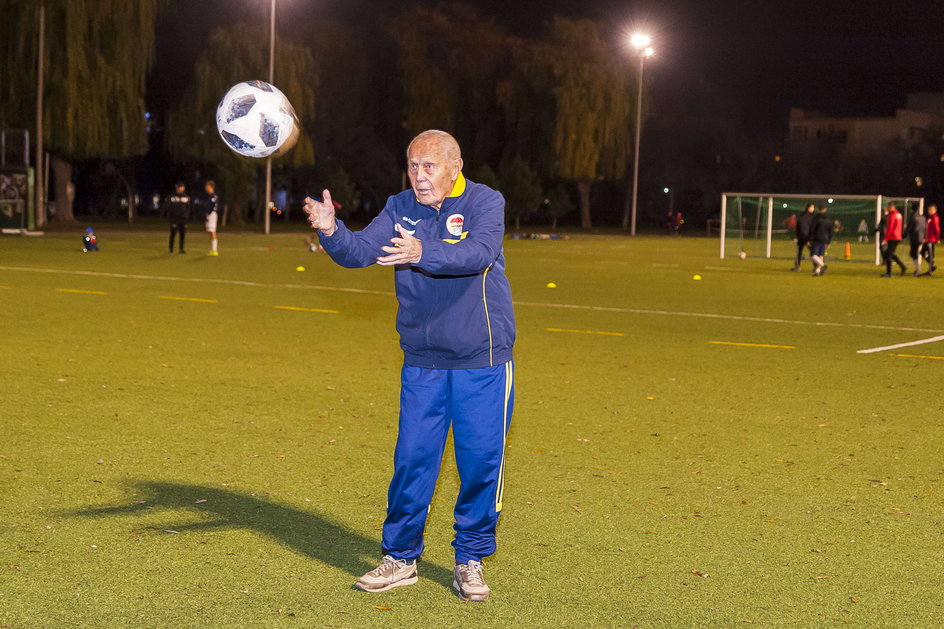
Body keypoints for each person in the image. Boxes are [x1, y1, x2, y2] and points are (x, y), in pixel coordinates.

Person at [302, 130, 515, 602]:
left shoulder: (484, 201)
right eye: (413, 166)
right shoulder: (400, 206)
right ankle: (400, 558)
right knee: (413, 460)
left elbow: (478, 253)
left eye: (429, 166)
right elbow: (361, 253)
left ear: (455, 166)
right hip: (423, 360)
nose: (419, 176)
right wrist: (332, 230)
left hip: (482, 358)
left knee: (480, 462)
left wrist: (423, 251)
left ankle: (470, 559)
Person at [162, 181, 192, 254]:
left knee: (182, 234)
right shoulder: (172, 197)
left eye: (183, 187)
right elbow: (168, 207)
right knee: (173, 234)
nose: (182, 189)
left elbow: (189, 208)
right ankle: (171, 249)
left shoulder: (186, 197)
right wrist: (170, 217)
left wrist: (186, 215)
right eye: (181, 187)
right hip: (174, 219)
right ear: (177, 188)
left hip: (183, 219)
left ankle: (181, 249)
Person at [196, 180, 221, 256]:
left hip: (212, 214)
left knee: (212, 231)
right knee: (210, 231)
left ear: (210, 186)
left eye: (206, 186)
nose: (205, 187)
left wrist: (208, 213)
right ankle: (213, 249)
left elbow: (212, 206)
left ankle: (215, 250)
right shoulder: (211, 195)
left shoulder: (212, 195)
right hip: (211, 214)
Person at [881, 202, 906, 277]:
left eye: (888, 208)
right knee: (890, 253)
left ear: (891, 207)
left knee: (888, 255)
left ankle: (888, 273)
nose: (887, 209)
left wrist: (886, 238)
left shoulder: (892, 215)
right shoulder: (899, 214)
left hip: (892, 237)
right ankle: (903, 267)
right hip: (898, 237)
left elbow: (890, 228)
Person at [809, 205, 832, 276]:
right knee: (821, 255)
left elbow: (812, 229)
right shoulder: (829, 219)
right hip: (825, 239)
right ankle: (817, 271)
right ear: (825, 209)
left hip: (817, 238)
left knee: (813, 255)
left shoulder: (816, 218)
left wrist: (810, 239)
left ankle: (823, 265)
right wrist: (829, 242)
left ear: (819, 209)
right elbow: (831, 232)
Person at [905, 205, 927, 276]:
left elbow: (909, 227)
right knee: (918, 252)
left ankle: (918, 270)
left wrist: (903, 235)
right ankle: (928, 265)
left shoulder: (913, 217)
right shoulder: (923, 217)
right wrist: (924, 237)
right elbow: (925, 228)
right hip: (922, 238)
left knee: (913, 253)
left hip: (914, 238)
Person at [793, 203, 815, 271]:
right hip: (808, 237)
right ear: (809, 208)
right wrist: (810, 239)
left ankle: (797, 267)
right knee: (813, 252)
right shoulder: (812, 217)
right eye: (812, 207)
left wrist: (797, 236)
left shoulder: (800, 215)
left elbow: (798, 228)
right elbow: (811, 228)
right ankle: (816, 266)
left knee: (798, 253)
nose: (813, 209)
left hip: (801, 237)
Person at [922, 204, 940, 276]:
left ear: (935, 210)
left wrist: (937, 239)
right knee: (922, 252)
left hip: (931, 240)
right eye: (929, 209)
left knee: (929, 254)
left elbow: (937, 229)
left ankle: (930, 270)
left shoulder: (935, 218)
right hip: (928, 239)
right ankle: (932, 265)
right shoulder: (930, 218)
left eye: (932, 210)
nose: (930, 211)